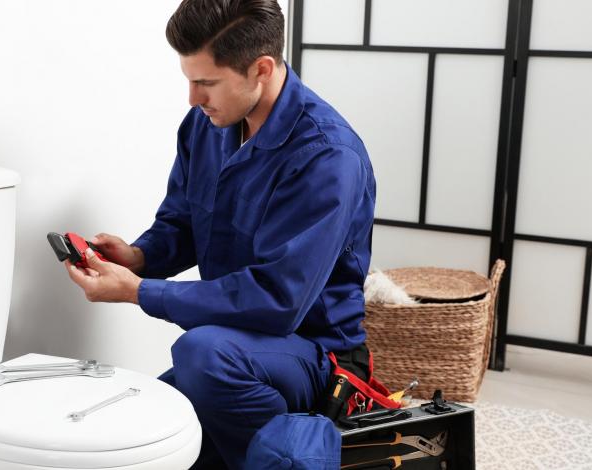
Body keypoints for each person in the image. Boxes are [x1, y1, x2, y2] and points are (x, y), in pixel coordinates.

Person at [63, 0, 375, 467]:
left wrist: (140, 293)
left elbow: (277, 301)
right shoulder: (206, 126)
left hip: (317, 356)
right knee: (141, 417)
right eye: (189, 79)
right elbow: (183, 222)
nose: (192, 97)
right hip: (234, 346)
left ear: (261, 69)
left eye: (206, 83)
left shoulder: (327, 157)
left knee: (203, 355)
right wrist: (138, 257)